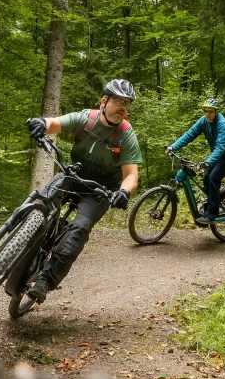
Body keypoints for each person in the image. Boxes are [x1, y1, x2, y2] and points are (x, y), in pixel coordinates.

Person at [24, 79, 142, 303]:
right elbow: (55, 123)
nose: (123, 108)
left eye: (126, 104)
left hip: (101, 191)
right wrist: (41, 123)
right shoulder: (86, 119)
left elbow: (131, 175)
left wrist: (124, 192)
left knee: (79, 229)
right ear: (104, 102)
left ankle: (45, 280)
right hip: (73, 175)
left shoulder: (125, 134)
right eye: (118, 101)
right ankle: (16, 246)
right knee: (40, 202)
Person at [166, 98, 225, 226]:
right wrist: (173, 147)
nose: (207, 114)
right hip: (217, 153)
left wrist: (208, 162)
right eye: (205, 111)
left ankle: (212, 214)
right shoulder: (203, 121)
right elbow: (189, 135)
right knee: (206, 177)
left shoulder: (222, 124)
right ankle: (212, 201)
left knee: (213, 177)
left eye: (210, 111)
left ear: (216, 112)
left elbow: (221, 147)